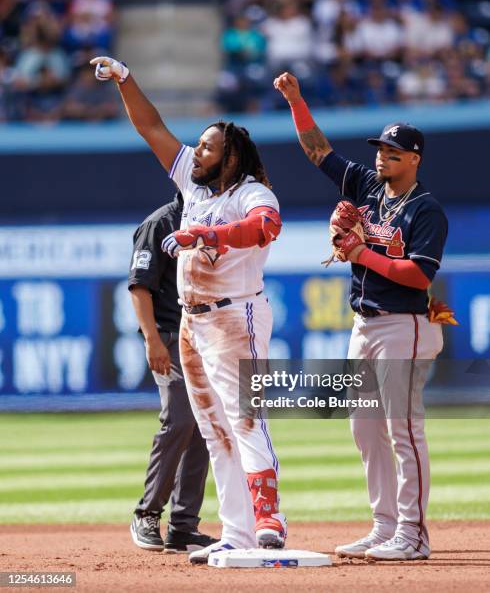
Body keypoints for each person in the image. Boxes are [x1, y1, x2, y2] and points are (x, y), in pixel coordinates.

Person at [90, 55, 287, 564]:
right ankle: (238, 532)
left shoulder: (253, 192)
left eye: (207, 147)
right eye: (197, 144)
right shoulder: (192, 185)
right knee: (213, 430)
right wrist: (126, 79)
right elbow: (150, 126)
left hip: (236, 316)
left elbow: (265, 228)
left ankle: (269, 518)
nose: (195, 151)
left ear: (231, 158)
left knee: (245, 419)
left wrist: (209, 233)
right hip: (192, 323)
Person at [275, 72, 448, 561]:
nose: (382, 158)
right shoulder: (369, 186)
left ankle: (413, 534)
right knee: (363, 427)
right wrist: (296, 101)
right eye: (380, 150)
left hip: (406, 324)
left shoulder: (426, 210)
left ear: (414, 159)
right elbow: (317, 152)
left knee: (402, 428)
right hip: (364, 323)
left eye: (393, 153)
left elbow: (417, 276)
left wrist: (360, 252)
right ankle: (384, 524)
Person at [128, 191, 218, 554]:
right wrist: (152, 340)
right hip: (169, 333)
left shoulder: (216, 219)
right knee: (180, 419)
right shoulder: (159, 222)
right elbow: (139, 285)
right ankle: (147, 512)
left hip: (207, 335)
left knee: (205, 426)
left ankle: (183, 526)